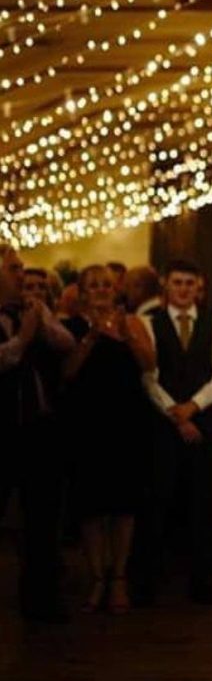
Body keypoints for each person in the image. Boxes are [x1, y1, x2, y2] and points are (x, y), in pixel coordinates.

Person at [62, 265, 155, 614]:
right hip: (88, 425)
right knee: (91, 505)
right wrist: (93, 336)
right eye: (93, 285)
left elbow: (149, 363)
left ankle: (118, 578)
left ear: (116, 290)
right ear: (83, 292)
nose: (101, 290)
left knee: (123, 505)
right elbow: (67, 371)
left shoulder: (132, 323)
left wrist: (123, 335)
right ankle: (97, 577)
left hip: (126, 424)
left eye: (106, 284)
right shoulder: (72, 325)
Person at [141, 259, 212, 604]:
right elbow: (149, 376)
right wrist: (175, 414)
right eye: (177, 282)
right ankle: (149, 580)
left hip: (205, 422)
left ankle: (201, 580)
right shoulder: (150, 324)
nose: (182, 289)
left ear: (199, 287)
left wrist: (193, 407)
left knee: (202, 502)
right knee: (159, 499)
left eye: (189, 283)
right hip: (164, 425)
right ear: (166, 286)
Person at [0, 244, 75, 622]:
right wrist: (23, 339)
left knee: (42, 520)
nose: (20, 275)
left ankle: (41, 601)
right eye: (14, 269)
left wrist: (39, 321)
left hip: (38, 432)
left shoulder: (31, 313)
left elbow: (67, 343)